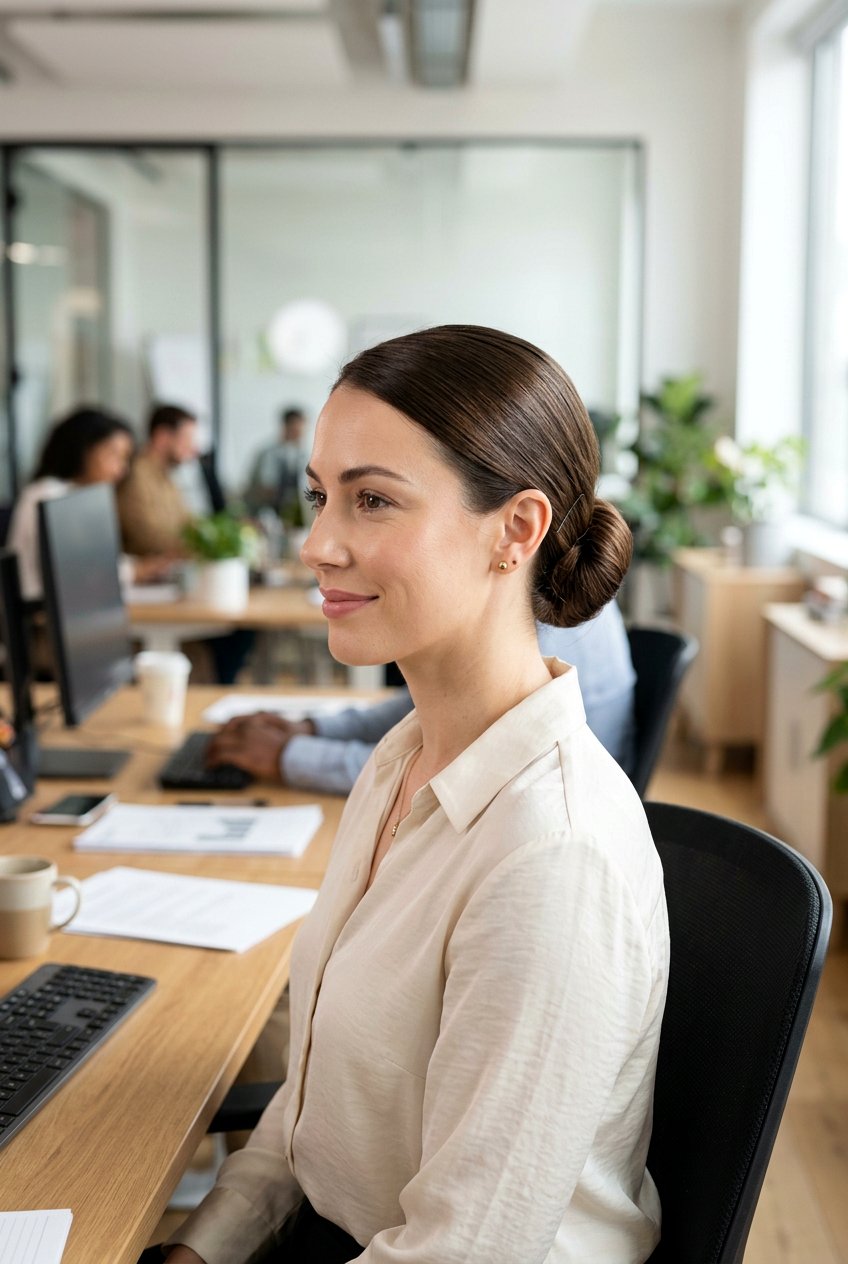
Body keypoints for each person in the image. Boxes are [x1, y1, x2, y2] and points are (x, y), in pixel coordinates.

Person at [161, 325, 669, 1264]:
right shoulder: (403, 760)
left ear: (516, 531)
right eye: (321, 496)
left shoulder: (551, 855)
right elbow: (314, 1100)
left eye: (373, 501)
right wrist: (202, 1247)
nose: (318, 544)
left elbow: (464, 1249)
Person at [207, 599, 636, 793]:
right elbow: (428, 711)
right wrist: (313, 730)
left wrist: (291, 755)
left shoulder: (539, 626)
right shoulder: (530, 591)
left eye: (376, 502)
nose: (315, 550)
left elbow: (446, 768)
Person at [7, 406, 166, 602]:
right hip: (43, 612)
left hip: (76, 605)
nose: (122, 469)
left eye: (125, 459)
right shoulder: (47, 494)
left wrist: (137, 568)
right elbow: (75, 571)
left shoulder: (82, 495)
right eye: (114, 455)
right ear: (83, 449)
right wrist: (134, 571)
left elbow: (93, 562)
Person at [116, 402, 200, 558]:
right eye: (187, 438)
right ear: (162, 437)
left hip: (172, 565)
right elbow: (148, 539)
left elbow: (187, 522)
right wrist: (203, 545)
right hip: (148, 568)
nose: (195, 449)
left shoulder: (166, 474)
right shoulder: (135, 474)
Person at [244, 406, 309, 518]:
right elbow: (267, 487)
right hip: (265, 511)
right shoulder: (269, 453)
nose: (300, 432)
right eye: (297, 427)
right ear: (286, 426)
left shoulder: (302, 454)